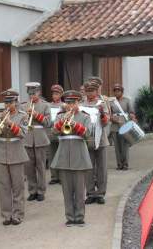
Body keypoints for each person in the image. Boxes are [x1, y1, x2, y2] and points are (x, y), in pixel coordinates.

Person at [51, 90, 92, 227]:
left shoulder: (84, 116)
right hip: (63, 155)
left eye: (72, 103)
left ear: (78, 102)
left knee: (80, 190)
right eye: (67, 103)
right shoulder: (60, 116)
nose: (70, 105)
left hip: (79, 154)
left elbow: (88, 133)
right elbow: (54, 132)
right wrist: (62, 122)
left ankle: (79, 217)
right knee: (67, 191)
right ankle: (70, 217)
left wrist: (75, 124)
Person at [0, 89, 29, 226]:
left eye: (10, 102)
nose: (7, 105)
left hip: (17, 153)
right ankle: (6, 215)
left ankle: (18, 214)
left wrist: (10, 123)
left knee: (17, 186)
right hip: (1, 153)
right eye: (5, 102)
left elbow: (23, 133)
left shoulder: (23, 116)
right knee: (4, 186)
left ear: (16, 102)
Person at [81, 80, 110, 205]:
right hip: (87, 140)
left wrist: (102, 113)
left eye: (92, 91)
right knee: (89, 168)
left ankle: (101, 193)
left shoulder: (102, 104)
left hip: (101, 140)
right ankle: (91, 193)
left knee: (101, 168)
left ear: (96, 91)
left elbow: (106, 122)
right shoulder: (82, 104)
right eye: (88, 91)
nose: (90, 93)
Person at [22, 82, 51, 202]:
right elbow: (22, 123)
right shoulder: (24, 106)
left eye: (34, 93)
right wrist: (25, 118)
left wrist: (36, 115)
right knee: (29, 167)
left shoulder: (45, 105)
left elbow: (48, 123)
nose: (31, 96)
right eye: (30, 94)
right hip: (28, 139)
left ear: (38, 92)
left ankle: (41, 191)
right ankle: (32, 190)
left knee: (40, 166)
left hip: (40, 139)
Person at [110, 84, 136, 170]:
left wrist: (133, 118)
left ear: (122, 92)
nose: (117, 92)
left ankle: (125, 164)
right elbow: (109, 114)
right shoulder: (112, 102)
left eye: (118, 91)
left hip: (125, 124)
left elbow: (131, 112)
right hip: (114, 125)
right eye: (115, 91)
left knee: (125, 145)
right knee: (117, 147)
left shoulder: (127, 101)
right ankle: (119, 164)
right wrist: (111, 118)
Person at [48, 84, 64, 185]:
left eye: (57, 93)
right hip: (51, 132)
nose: (55, 95)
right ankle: (54, 176)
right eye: (53, 93)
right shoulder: (48, 106)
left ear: (61, 94)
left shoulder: (64, 106)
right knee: (52, 156)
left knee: (61, 155)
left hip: (61, 133)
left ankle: (62, 176)